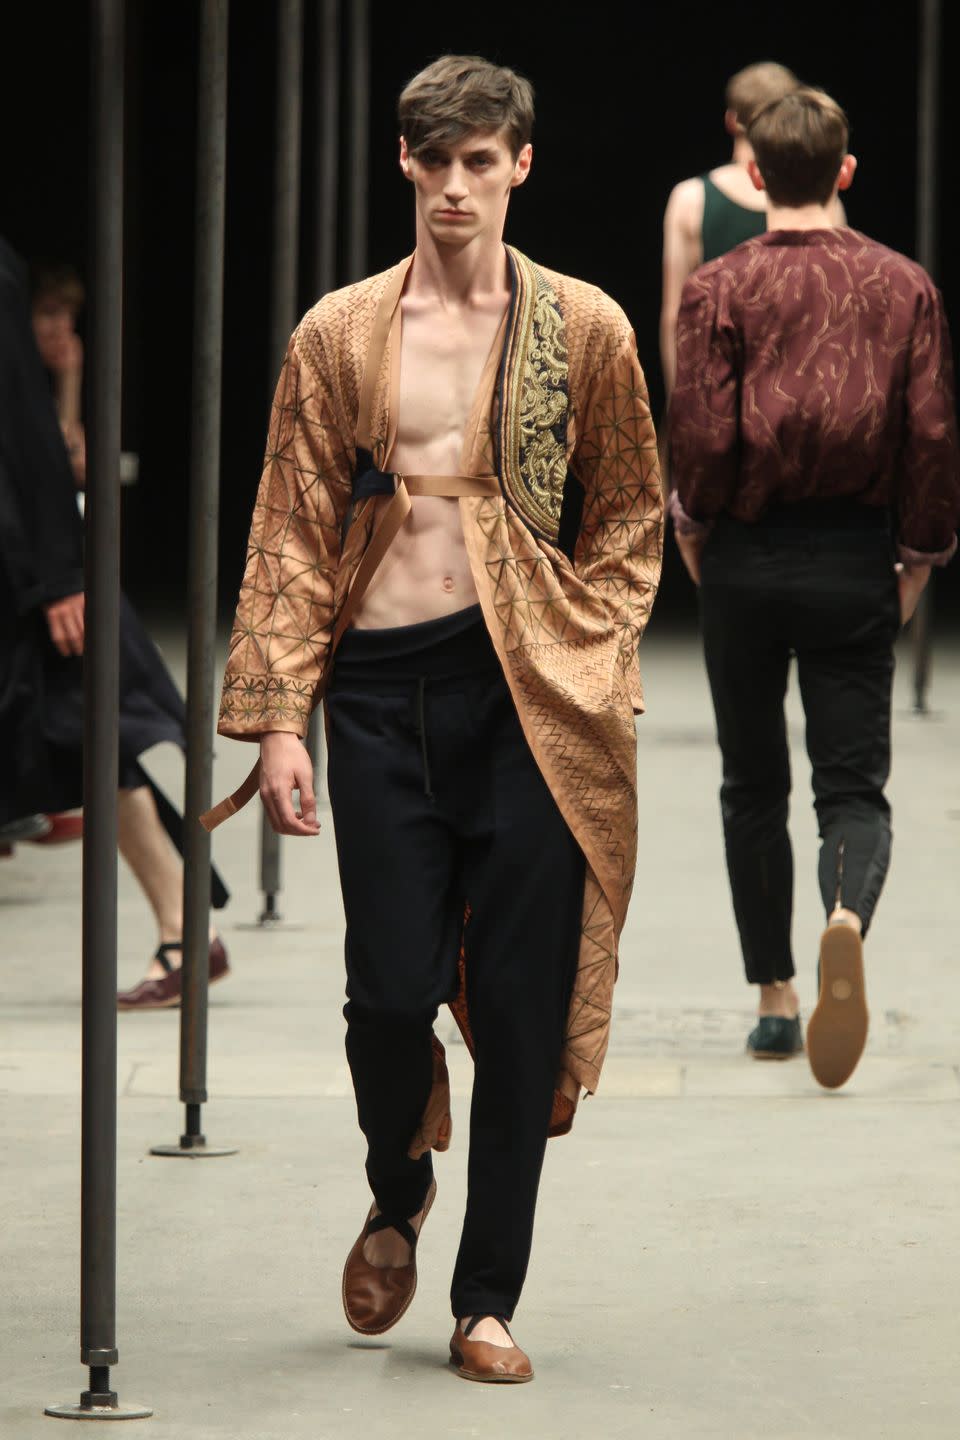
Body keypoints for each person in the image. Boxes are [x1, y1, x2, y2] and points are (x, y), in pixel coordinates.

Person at [207, 55, 662, 1381]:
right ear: (405, 166)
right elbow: (292, 525)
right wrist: (283, 718)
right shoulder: (341, 333)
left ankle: (485, 1299)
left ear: (523, 164)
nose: (457, 184)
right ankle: (399, 1188)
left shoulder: (585, 329)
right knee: (388, 992)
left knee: (518, 1006)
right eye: (435, 161)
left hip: (526, 693)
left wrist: (599, 649)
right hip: (380, 689)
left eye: (482, 160)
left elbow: (634, 507)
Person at [668, 88, 960, 1088]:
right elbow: (928, 435)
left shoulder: (717, 286)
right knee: (853, 786)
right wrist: (918, 558)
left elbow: (701, 431)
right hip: (851, 558)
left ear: (753, 177)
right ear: (844, 172)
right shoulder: (904, 284)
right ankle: (845, 915)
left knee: (752, 783)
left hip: (747, 558)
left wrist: (696, 533)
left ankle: (775, 1001)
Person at [0, 239, 229, 1003]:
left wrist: (60, 574)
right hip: (35, 559)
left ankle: (183, 925)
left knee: (91, 728)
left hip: (32, 564)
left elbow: (36, 436)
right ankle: (184, 924)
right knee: (86, 731)